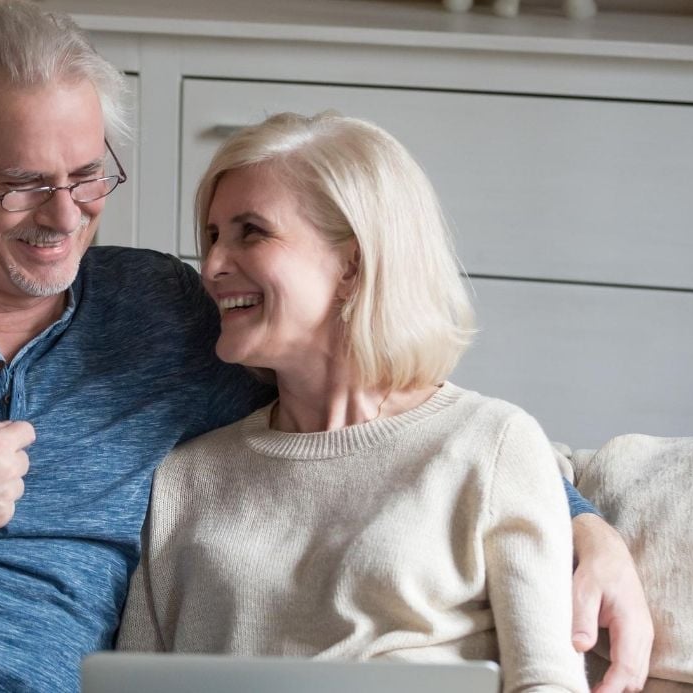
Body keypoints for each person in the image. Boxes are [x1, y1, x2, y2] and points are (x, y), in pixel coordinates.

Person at [0, 3, 649, 692]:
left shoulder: (166, 310)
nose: (62, 218)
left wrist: (574, 520)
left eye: (88, 176)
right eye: (22, 182)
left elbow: (377, 398)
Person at [116, 112, 591, 691]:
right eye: (213, 236)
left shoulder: (490, 444)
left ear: (352, 265)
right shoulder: (185, 477)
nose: (212, 266)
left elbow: (547, 682)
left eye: (251, 232)